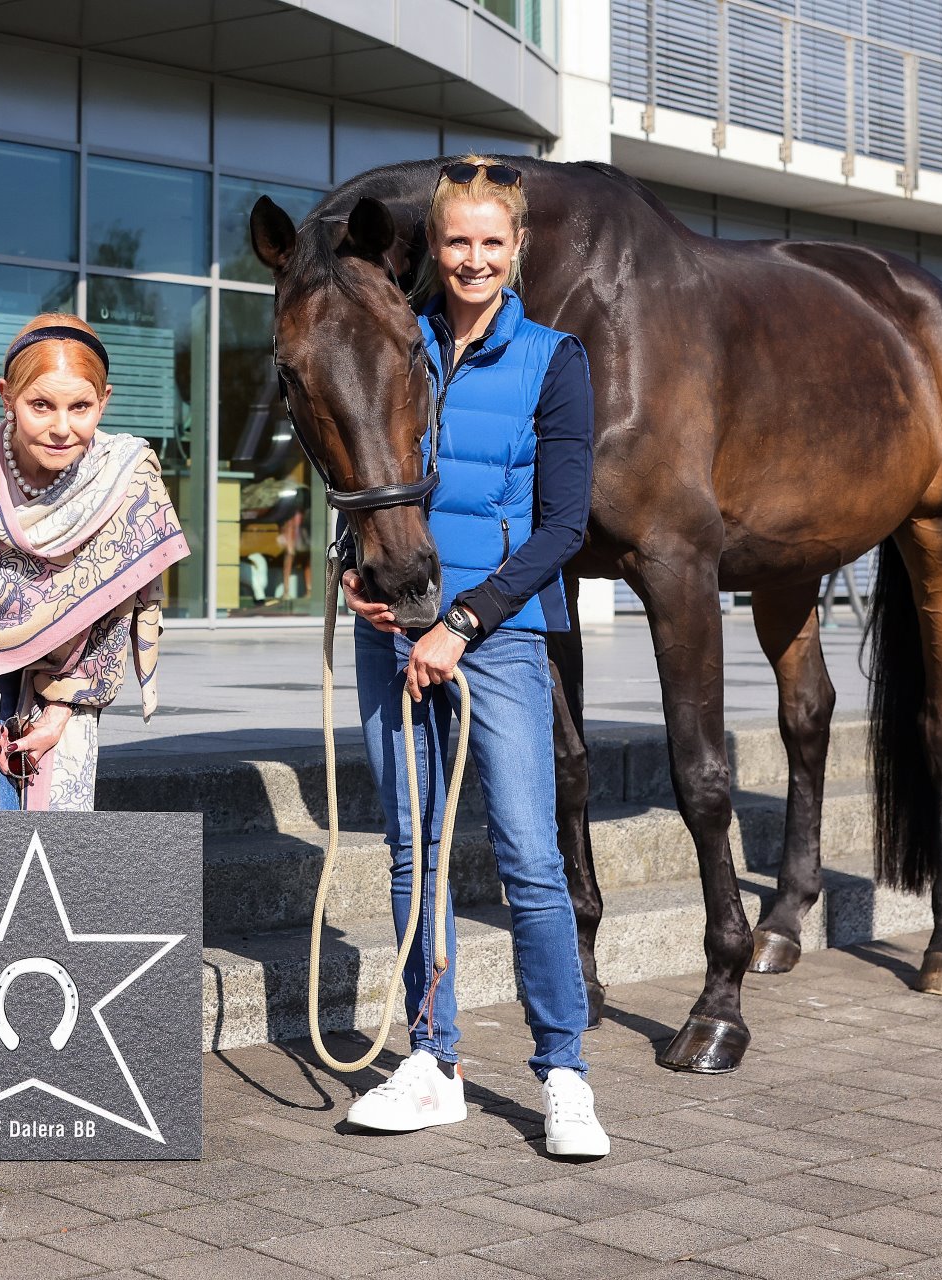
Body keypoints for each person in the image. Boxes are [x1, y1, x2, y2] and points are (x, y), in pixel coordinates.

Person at [341, 157, 609, 1158]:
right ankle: (432, 1060)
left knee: (531, 854)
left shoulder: (554, 358)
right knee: (413, 848)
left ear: (517, 248)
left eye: (492, 242)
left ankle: (565, 1071)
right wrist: (357, 577)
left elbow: (564, 525)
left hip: (501, 631)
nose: (474, 259)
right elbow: (352, 465)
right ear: (435, 247)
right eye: (458, 241)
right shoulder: (394, 340)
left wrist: (464, 620)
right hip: (394, 629)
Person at [0, 314, 190, 812]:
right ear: (6, 396)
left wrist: (61, 709)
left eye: (81, 407)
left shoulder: (127, 480)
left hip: (76, 661)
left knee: (51, 829)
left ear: (105, 401)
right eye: (40, 405)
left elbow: (111, 610)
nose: (61, 428)